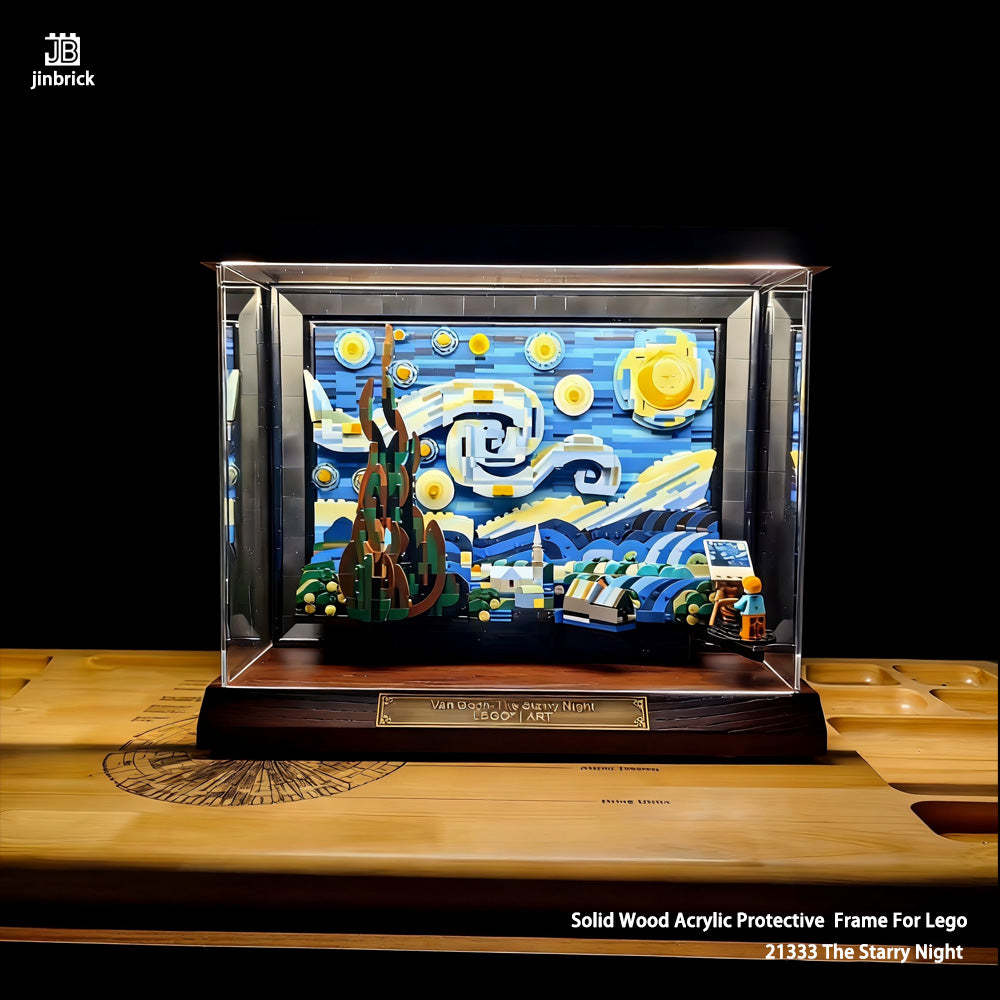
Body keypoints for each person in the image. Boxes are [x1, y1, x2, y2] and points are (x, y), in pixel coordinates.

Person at [733, 576, 766, 641]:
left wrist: (733, 604)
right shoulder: (760, 597)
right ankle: (760, 634)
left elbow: (738, 606)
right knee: (760, 625)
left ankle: (747, 635)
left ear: (746, 589)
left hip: (748, 615)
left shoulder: (746, 597)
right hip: (761, 614)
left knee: (749, 627)